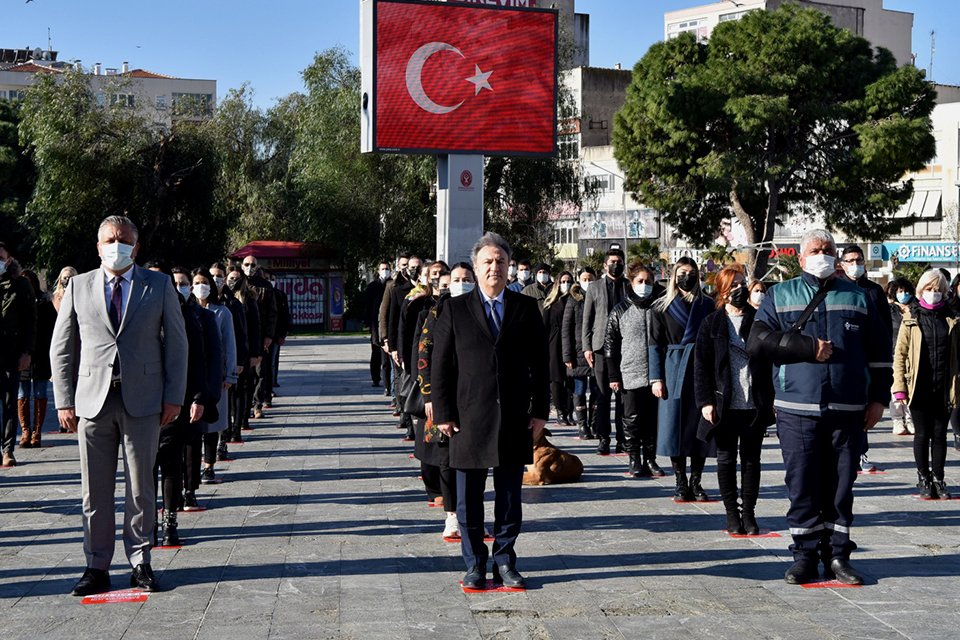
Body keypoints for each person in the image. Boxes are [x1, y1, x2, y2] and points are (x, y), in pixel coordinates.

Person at [50, 215, 188, 595]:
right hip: (92, 402)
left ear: (136, 247)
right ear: (98, 247)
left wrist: (174, 396)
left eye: (123, 239)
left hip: (143, 401)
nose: (116, 245)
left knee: (141, 486)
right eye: (109, 240)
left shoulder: (158, 285)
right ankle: (96, 565)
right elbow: (62, 347)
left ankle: (140, 560)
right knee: (94, 490)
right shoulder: (79, 286)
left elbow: (177, 344)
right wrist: (64, 400)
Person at [748, 229, 890, 586]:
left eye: (827, 249)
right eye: (815, 250)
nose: (822, 254)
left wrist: (879, 399)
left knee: (841, 487)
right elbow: (758, 341)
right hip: (796, 407)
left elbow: (879, 352)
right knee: (802, 484)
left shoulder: (859, 297)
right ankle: (805, 556)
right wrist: (807, 348)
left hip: (848, 408)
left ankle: (838, 555)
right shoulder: (780, 295)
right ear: (800, 258)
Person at [433, 232, 549, 590]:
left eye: (500, 261)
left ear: (509, 266)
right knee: (468, 500)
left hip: (514, 418)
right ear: (476, 266)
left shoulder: (525, 308)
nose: (494, 267)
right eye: (487, 261)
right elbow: (441, 365)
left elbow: (540, 364)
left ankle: (505, 560)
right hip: (468, 419)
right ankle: (474, 564)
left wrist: (541, 411)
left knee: (509, 498)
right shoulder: (455, 309)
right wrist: (443, 412)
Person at [693, 265, 775, 534]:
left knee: (751, 460)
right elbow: (701, 366)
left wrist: (773, 398)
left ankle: (749, 513)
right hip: (724, 404)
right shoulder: (711, 323)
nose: (740, 289)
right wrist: (706, 401)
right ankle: (731, 513)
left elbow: (771, 360)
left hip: (754, 402)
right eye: (734, 285)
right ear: (723, 291)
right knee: (726, 459)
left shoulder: (759, 319)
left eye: (742, 284)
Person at [650, 257, 716, 501]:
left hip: (701, 368)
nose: (686, 277)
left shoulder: (707, 304)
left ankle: (696, 482)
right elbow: (654, 344)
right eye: (682, 272)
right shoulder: (661, 306)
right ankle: (680, 481)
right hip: (673, 368)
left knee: (699, 426)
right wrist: (656, 378)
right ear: (674, 275)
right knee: (674, 427)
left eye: (691, 272)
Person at [419, 263, 475, 539]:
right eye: (456, 279)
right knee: (446, 456)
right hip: (443, 395)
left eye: (467, 278)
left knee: (473, 459)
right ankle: (452, 515)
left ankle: (471, 514)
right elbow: (423, 355)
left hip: (473, 397)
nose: (462, 283)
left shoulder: (480, 309)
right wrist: (429, 394)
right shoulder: (437, 311)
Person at [892, 269, 956, 500]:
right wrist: (899, 387)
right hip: (918, 386)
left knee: (940, 434)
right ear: (921, 290)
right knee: (922, 434)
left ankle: (938, 478)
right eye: (929, 289)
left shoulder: (952, 318)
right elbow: (900, 355)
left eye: (938, 289)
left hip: (944, 386)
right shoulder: (911, 318)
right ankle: (923, 478)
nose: (933, 293)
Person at [605, 262, 665, 477]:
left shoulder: (659, 308)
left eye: (648, 281)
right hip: (629, 373)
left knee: (652, 420)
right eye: (640, 281)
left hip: (655, 375)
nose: (644, 285)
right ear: (631, 282)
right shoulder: (620, 311)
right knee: (632, 419)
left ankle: (650, 459)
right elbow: (610, 345)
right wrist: (613, 375)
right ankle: (634, 458)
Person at [839, 245, 890, 474]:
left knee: (866, 405)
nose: (855, 264)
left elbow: (885, 328)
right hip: (847, 357)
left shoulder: (874, 291)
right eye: (850, 260)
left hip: (870, 359)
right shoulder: (838, 289)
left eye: (858, 260)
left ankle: (861, 451)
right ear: (842, 264)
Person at [191, 268, 236, 484]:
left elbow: (229, 345)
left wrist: (230, 375)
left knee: (211, 422)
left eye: (204, 282)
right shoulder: (185, 311)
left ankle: (209, 466)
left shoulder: (222, 312)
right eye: (196, 282)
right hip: (191, 376)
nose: (201, 287)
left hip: (215, 375)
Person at [583, 248, 630, 455]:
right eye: (612, 261)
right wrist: (587, 347)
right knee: (602, 396)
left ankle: (622, 439)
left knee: (623, 397)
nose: (615, 265)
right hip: (601, 347)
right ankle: (603, 438)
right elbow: (587, 319)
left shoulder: (629, 285)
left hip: (625, 347)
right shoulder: (594, 287)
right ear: (605, 265)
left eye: (619, 261)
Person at [0, 243, 36, 467]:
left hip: (10, 353)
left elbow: (30, 321)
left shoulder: (21, 284)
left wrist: (27, 352)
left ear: (8, 259)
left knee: (9, 403)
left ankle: (7, 449)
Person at [17, 270, 56, 449]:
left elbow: (53, 330)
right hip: (21, 355)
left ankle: (37, 432)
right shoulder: (16, 301)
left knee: (40, 393)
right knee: (22, 394)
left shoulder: (45, 303)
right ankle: (25, 431)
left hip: (40, 355)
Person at [224, 267, 261, 443]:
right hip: (226, 350)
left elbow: (254, 328)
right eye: (230, 278)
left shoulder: (248, 300)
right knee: (228, 393)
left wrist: (255, 353)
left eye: (236, 278)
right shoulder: (223, 299)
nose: (233, 281)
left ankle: (238, 426)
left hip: (242, 350)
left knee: (240, 389)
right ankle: (227, 426)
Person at [563, 267, 599, 440]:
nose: (588, 282)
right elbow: (566, 329)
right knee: (579, 389)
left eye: (590, 278)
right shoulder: (573, 299)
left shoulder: (600, 297)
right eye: (584, 279)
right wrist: (567, 355)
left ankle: (594, 423)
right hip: (577, 353)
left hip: (597, 351)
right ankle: (582, 425)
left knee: (597, 390)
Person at [241, 255, 277, 420]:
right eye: (246, 264)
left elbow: (272, 312)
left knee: (260, 372)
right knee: (244, 372)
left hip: (260, 335)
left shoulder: (265, 286)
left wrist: (269, 335)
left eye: (252, 265)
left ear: (257, 267)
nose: (249, 267)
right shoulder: (238, 283)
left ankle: (257, 404)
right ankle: (244, 405)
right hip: (242, 334)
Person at [542, 271, 575, 426]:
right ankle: (560, 412)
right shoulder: (550, 303)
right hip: (554, 344)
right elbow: (544, 327)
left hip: (571, 343)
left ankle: (569, 411)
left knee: (570, 379)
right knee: (556, 379)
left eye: (568, 281)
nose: (565, 284)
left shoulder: (576, 300)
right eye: (563, 281)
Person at [378, 253, 411, 404]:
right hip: (395, 336)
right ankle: (397, 400)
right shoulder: (392, 286)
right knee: (396, 370)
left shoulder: (419, 286)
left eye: (409, 265)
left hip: (410, 336)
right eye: (404, 265)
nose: (407, 268)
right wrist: (385, 338)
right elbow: (384, 314)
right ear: (398, 266)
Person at [886, 277, 915, 437]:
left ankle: (910, 419)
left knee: (911, 388)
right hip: (894, 353)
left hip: (913, 355)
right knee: (896, 388)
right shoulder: (889, 310)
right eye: (900, 291)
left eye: (906, 291)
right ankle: (897, 420)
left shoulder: (916, 308)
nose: (904, 294)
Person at [366, 261, 392, 389]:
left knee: (387, 355)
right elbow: (367, 305)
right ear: (378, 270)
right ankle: (375, 378)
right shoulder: (373, 286)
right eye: (383, 268)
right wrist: (368, 323)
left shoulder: (392, 284)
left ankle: (388, 381)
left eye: (387, 268)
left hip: (388, 323)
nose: (385, 271)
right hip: (375, 325)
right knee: (376, 352)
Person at [265, 270, 290, 401]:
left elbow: (285, 315)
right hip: (262, 335)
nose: (270, 281)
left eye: (272, 279)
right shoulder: (258, 293)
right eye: (267, 278)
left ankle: (271, 386)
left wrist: (283, 334)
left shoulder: (279, 295)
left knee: (272, 362)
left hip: (275, 335)